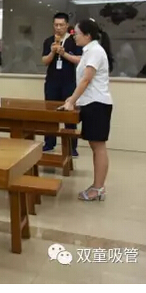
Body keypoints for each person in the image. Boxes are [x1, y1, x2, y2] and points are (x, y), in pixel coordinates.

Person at [60, 19, 114, 201]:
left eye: (76, 34)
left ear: (88, 35)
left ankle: (98, 189)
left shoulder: (96, 51)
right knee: (95, 146)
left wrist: (72, 100)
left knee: (98, 147)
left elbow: (86, 79)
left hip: (97, 104)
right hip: (91, 103)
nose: (74, 37)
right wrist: (72, 100)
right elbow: (84, 80)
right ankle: (97, 186)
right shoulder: (89, 51)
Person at [41, 12, 82, 156]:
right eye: (56, 25)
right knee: (50, 114)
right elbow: (44, 61)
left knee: (69, 115)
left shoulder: (74, 40)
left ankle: (71, 147)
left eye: (61, 25)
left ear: (67, 25)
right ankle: (49, 143)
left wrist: (64, 54)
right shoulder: (49, 41)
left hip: (68, 82)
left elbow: (79, 59)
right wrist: (53, 52)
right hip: (52, 82)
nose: (58, 28)